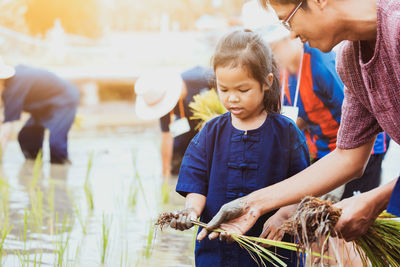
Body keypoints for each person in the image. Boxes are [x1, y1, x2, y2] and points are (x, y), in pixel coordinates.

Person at [197, 0, 400, 243]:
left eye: (288, 19)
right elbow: (348, 157)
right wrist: (251, 204)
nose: (291, 33)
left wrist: (375, 199)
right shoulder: (349, 61)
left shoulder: (395, 27)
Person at [170, 29, 310, 266]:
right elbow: (196, 182)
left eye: (242, 90)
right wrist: (191, 211)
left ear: (267, 82)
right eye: (223, 89)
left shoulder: (286, 133)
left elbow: (303, 187)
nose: (232, 98)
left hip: (270, 250)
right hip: (216, 250)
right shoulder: (210, 132)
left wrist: (283, 216)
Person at [134, 66, 213, 178]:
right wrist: (165, 172)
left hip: (214, 123)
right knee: (177, 157)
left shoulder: (201, 77)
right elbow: (167, 138)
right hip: (188, 126)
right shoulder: (161, 102)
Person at [0, 61, 79, 164]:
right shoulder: (10, 84)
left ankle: (60, 168)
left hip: (64, 100)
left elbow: (7, 127)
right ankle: (35, 166)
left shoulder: (15, 87)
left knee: (56, 143)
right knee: (27, 137)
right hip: (44, 104)